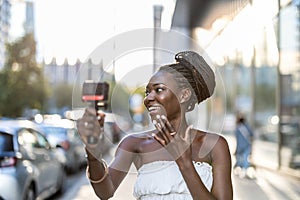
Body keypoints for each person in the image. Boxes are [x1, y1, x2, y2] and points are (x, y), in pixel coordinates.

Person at [77, 51, 233, 200]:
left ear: (184, 95)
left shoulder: (214, 145)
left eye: (159, 90)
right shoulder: (134, 143)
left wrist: (184, 163)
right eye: (147, 92)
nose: (149, 98)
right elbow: (105, 192)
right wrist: (92, 151)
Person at [234, 113, 254, 178]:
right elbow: (252, 135)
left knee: (240, 159)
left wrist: (236, 149)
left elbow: (237, 140)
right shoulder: (247, 126)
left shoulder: (237, 129)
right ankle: (245, 172)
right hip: (247, 145)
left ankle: (240, 171)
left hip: (240, 147)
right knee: (245, 158)